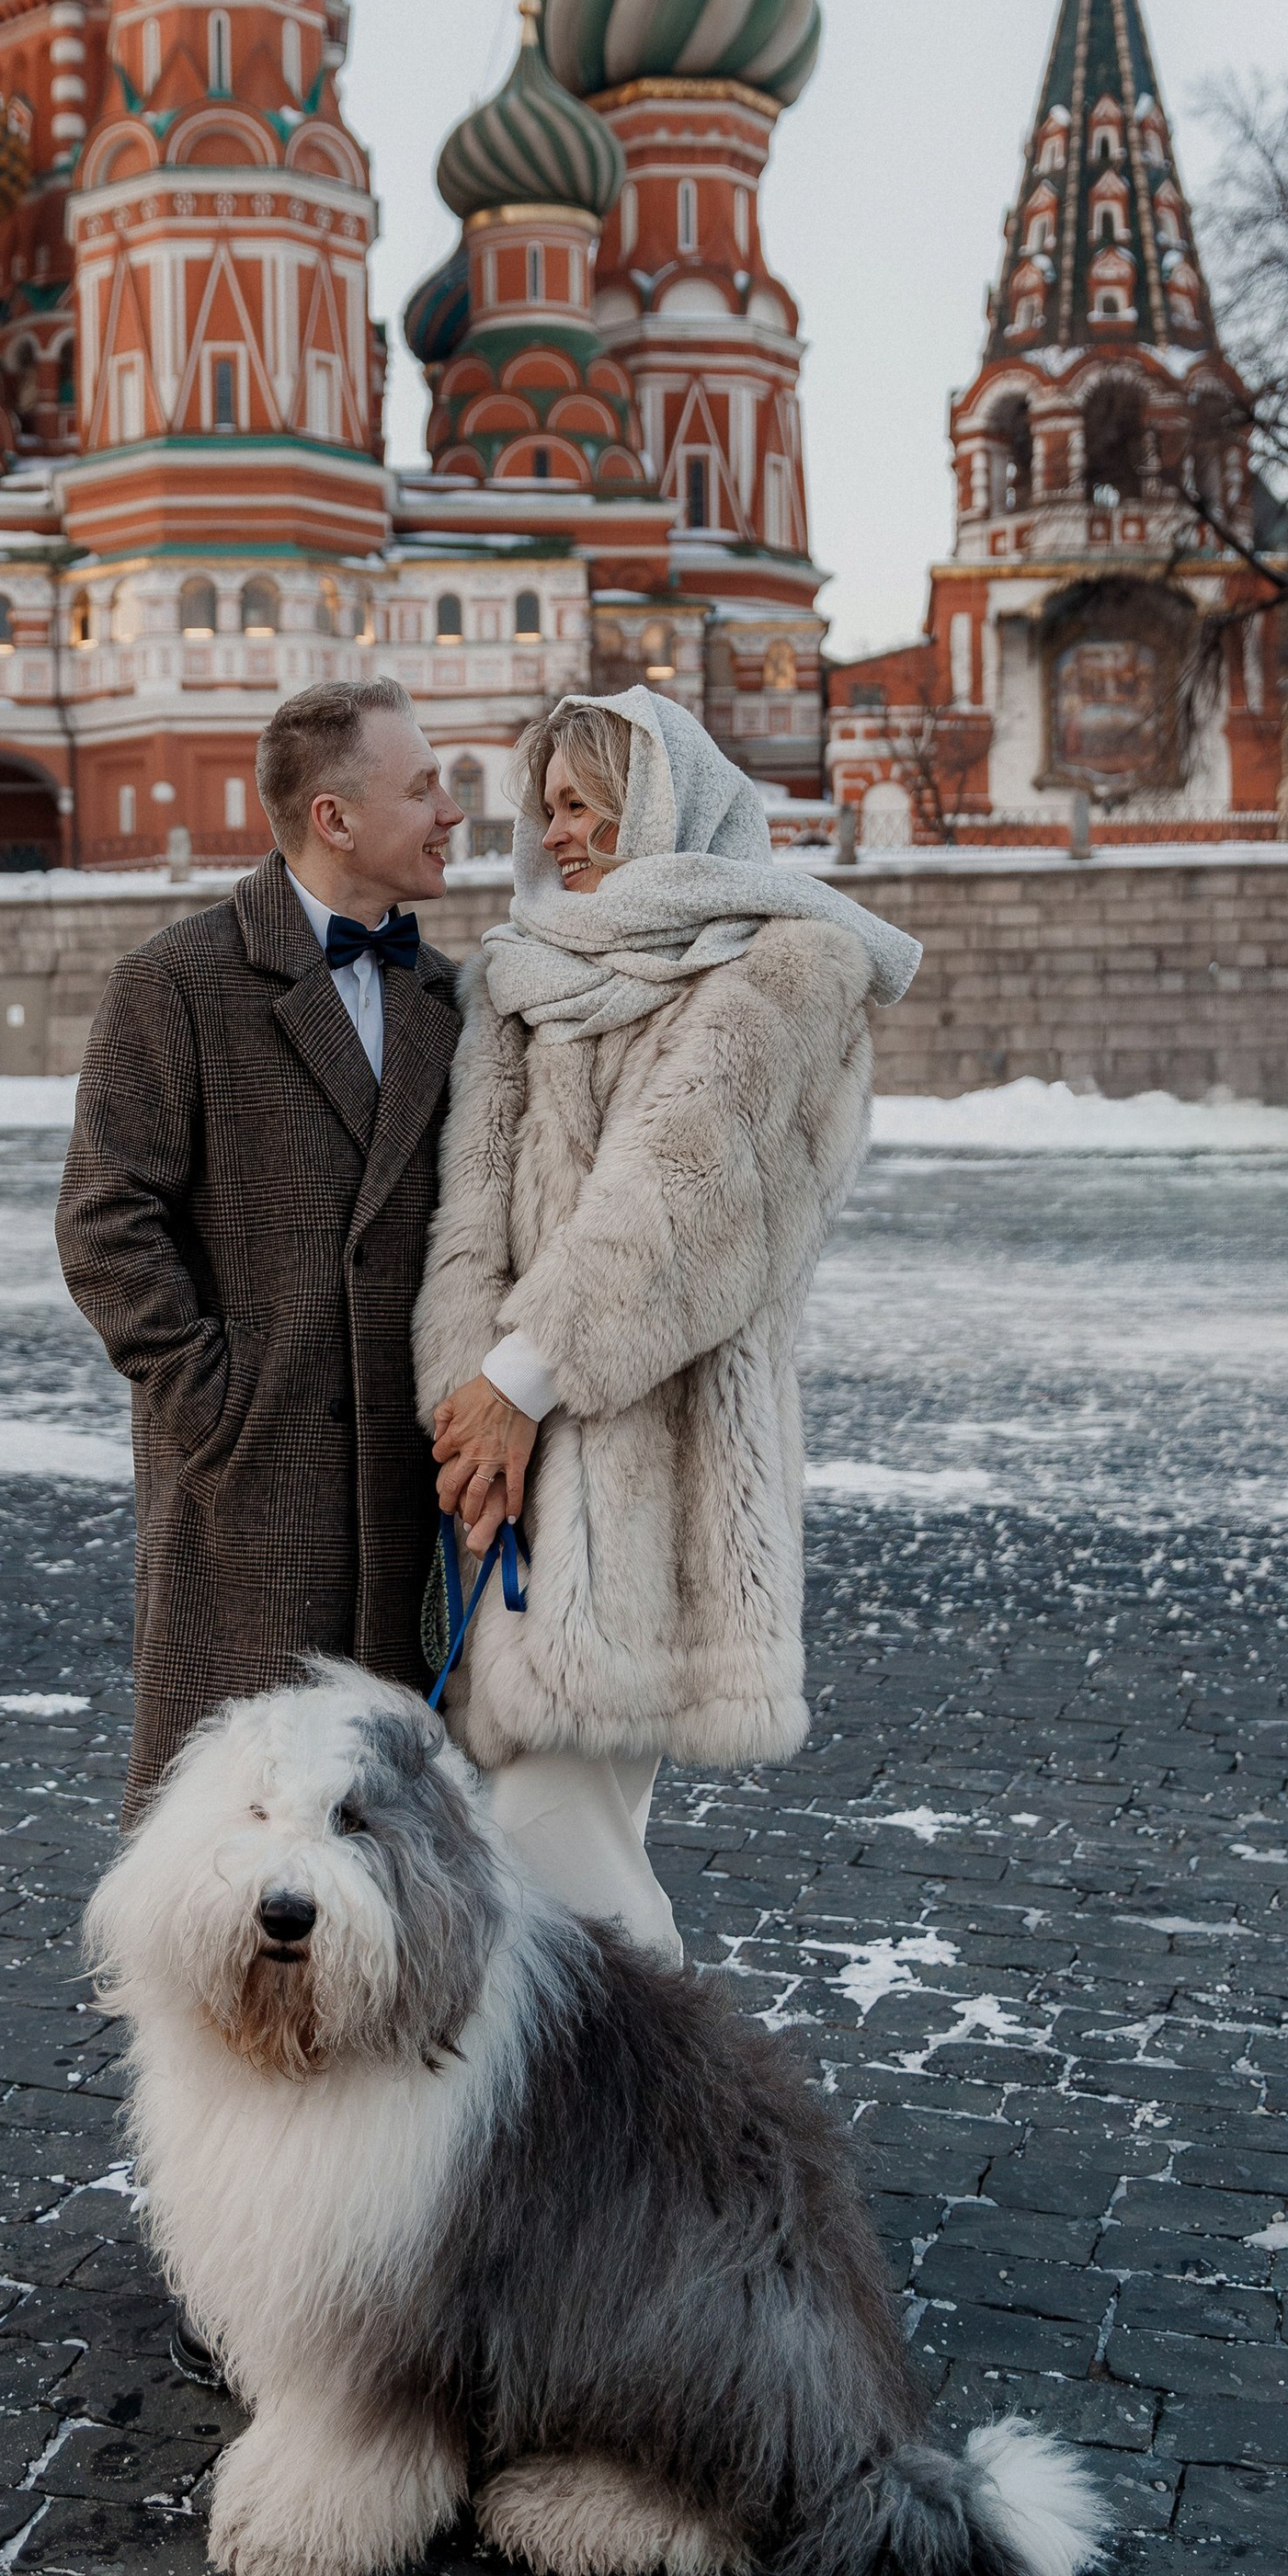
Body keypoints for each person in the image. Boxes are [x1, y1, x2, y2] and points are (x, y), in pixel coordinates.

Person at [414, 687, 921, 1966]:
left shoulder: (790, 971)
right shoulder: (517, 981)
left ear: (662, 800)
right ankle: (620, 2132)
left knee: (547, 1844)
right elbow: (466, 1225)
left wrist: (523, 1378)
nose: (562, 829)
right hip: (503, 1480)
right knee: (566, 1843)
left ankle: (661, 2100)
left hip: (666, 1474)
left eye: (587, 800)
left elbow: (684, 1211)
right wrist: (465, 1421)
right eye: (550, 807)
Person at [57, 677, 466, 1829]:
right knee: (224, 1837)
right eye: (423, 785)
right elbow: (104, 1218)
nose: (453, 811)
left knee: (385, 1856)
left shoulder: (447, 994)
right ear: (334, 819)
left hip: (407, 1501)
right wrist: (217, 1407)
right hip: (248, 1496)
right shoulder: (175, 983)